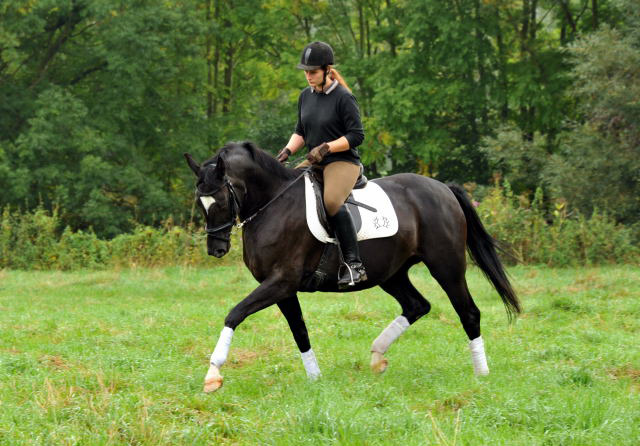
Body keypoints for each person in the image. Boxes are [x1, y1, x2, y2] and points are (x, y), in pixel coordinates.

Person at [276, 41, 367, 289]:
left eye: (313, 71)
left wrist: (327, 147)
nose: (308, 75)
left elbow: (356, 136)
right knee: (285, 191)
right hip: (314, 161)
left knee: (331, 202)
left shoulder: (344, 98)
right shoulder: (305, 96)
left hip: (342, 162)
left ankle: (354, 264)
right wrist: (286, 151)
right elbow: (301, 131)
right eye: (305, 71)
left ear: (327, 69)